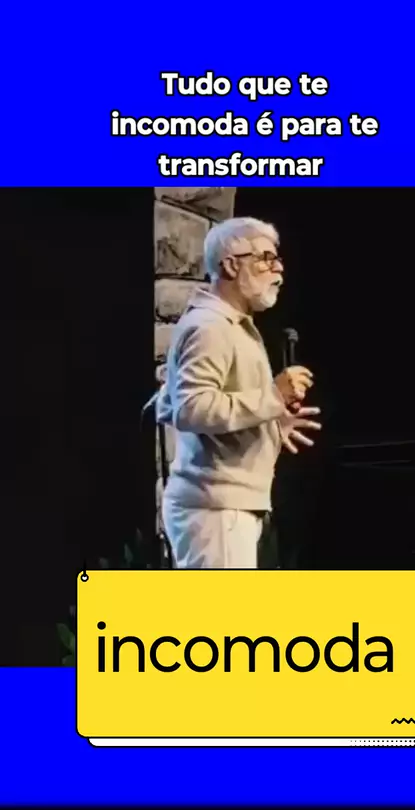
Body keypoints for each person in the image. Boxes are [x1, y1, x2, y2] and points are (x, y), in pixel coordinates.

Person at [156, 216, 321, 568]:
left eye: (277, 259)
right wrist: (273, 397)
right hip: (216, 508)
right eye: (265, 258)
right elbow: (191, 408)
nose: (278, 269)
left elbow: (184, 403)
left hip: (227, 504)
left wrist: (271, 424)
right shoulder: (211, 327)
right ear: (230, 265)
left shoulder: (231, 325)